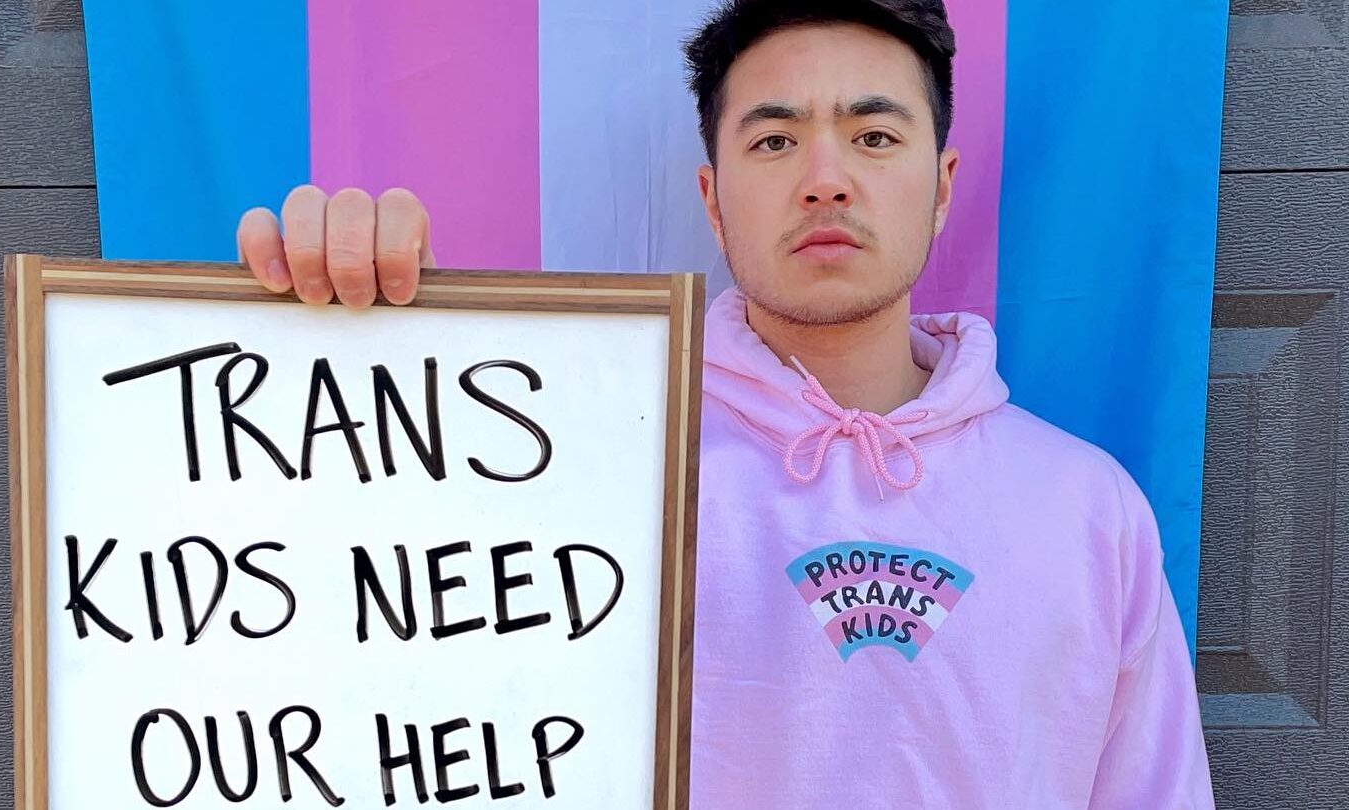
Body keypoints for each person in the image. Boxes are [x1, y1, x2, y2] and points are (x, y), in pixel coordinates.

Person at [236, 0, 1215, 805]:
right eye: (777, 139)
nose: (826, 180)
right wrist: (348, 346)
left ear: (944, 184)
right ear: (711, 197)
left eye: (874, 135)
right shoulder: (575, 473)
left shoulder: (1090, 512)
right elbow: (358, 683)